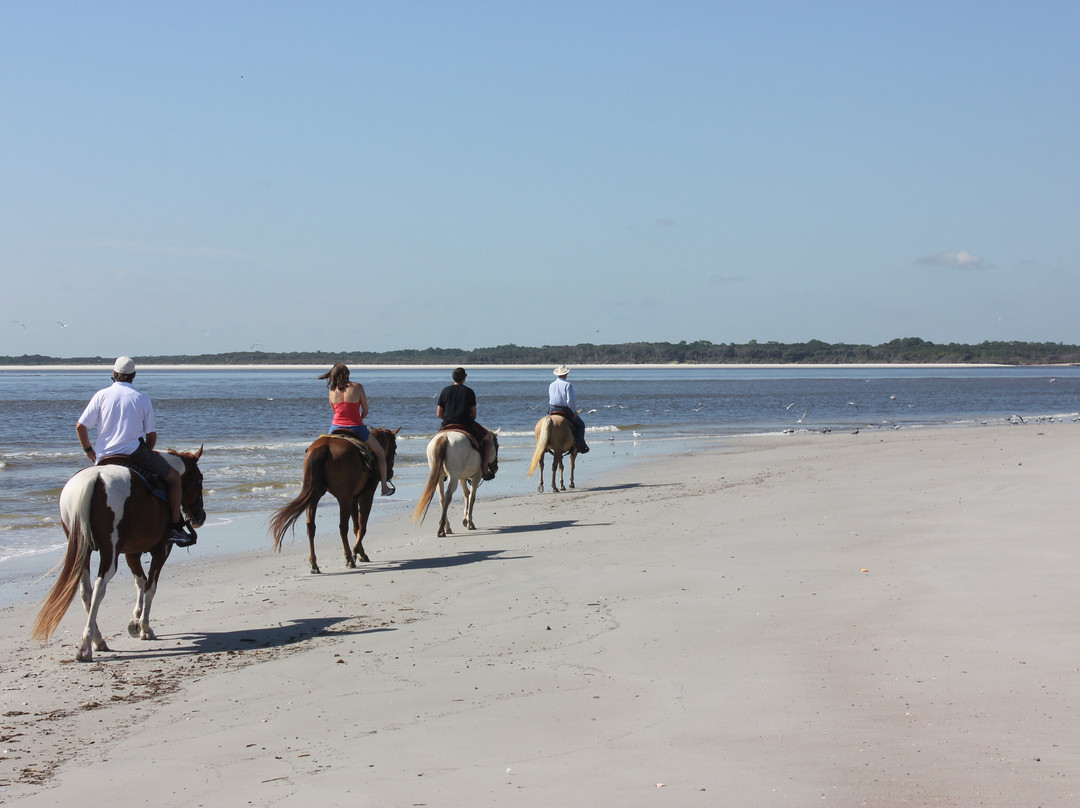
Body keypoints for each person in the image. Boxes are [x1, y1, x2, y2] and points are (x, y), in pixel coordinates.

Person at [76, 356, 197, 546]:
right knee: (174, 478)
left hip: (104, 455)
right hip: (133, 452)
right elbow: (151, 436)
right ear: (134, 375)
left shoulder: (101, 395)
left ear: (114, 373)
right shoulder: (141, 398)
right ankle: (175, 527)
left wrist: (89, 450)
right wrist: (147, 453)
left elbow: (81, 427)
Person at [319, 363, 395, 496]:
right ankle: (384, 486)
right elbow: (365, 411)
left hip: (335, 427)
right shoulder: (358, 387)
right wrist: (359, 417)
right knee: (380, 453)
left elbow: (335, 412)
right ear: (347, 374)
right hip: (356, 427)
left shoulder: (331, 390)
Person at [436, 367, 495, 480]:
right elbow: (474, 415)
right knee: (488, 438)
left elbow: (439, 414)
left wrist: (449, 419)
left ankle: (439, 470)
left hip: (447, 423)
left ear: (453, 378)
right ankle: (484, 469)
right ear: (464, 378)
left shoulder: (445, 391)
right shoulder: (469, 391)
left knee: (435, 441)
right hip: (466, 423)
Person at [548, 365, 589, 453]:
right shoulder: (568, 384)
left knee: (547, 424)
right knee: (581, 425)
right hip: (564, 410)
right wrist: (574, 412)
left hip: (552, 409)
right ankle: (580, 445)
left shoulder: (551, 384)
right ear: (565, 374)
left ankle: (545, 445)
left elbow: (551, 398)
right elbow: (570, 400)